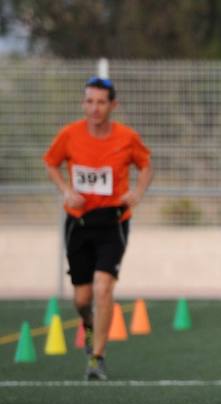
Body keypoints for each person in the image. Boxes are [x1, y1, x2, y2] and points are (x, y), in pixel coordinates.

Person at [44, 76, 153, 381]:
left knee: (104, 288)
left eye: (101, 102)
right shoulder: (69, 135)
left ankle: (97, 357)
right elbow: (51, 163)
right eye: (89, 101)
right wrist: (66, 188)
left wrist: (138, 193)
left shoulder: (126, 137)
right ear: (83, 103)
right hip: (78, 224)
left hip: (113, 223)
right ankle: (88, 325)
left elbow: (146, 165)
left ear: (112, 105)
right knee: (82, 298)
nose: (94, 108)